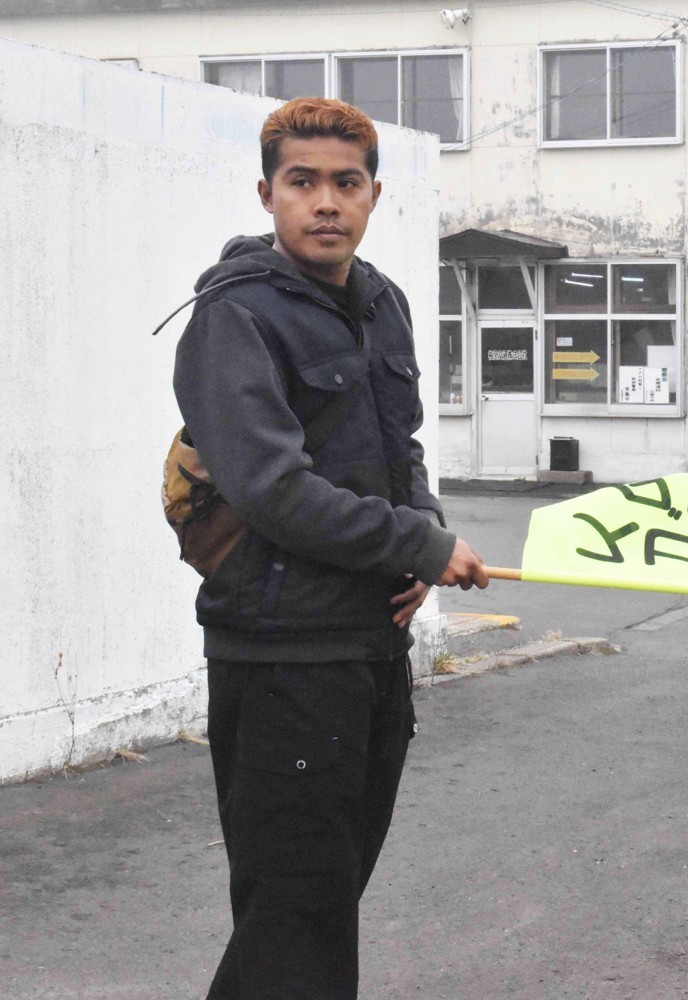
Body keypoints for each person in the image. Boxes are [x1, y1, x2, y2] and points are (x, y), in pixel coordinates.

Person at [172, 98, 490, 998]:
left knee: (311, 906)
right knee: (297, 912)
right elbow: (271, 488)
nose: (325, 202)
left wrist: (421, 535)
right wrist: (418, 543)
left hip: (368, 645)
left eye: (346, 183)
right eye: (302, 181)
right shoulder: (233, 318)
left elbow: (401, 448)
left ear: (373, 195)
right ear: (266, 193)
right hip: (281, 656)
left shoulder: (382, 303)